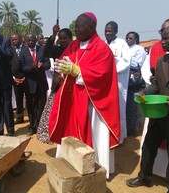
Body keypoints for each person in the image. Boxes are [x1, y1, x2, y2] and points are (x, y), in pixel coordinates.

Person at [49, 12, 120, 178]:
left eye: (80, 26)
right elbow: (63, 60)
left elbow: (102, 75)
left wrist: (75, 70)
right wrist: (61, 68)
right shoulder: (73, 45)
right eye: (75, 26)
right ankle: (69, 162)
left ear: (92, 28)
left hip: (92, 102)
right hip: (71, 98)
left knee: (93, 136)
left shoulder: (102, 48)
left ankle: (95, 167)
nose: (76, 29)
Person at [126, 23, 169, 193]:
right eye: (162, 37)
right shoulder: (162, 61)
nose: (163, 41)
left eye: (167, 38)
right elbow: (157, 86)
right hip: (159, 114)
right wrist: (144, 92)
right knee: (148, 147)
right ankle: (144, 176)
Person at [37, 24, 73, 144]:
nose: (62, 40)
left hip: (72, 86)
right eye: (60, 38)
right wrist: (53, 35)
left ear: (70, 38)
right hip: (58, 84)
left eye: (65, 38)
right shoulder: (57, 49)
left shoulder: (75, 49)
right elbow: (46, 51)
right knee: (54, 110)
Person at [105, 21, 131, 143]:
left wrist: (111, 67)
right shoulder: (104, 44)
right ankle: (108, 137)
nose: (107, 33)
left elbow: (125, 62)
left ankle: (120, 137)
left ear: (116, 31)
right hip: (105, 82)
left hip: (118, 81)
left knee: (119, 108)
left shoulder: (122, 44)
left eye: (110, 31)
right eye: (106, 31)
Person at [19, 33, 50, 136]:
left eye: (33, 40)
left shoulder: (42, 49)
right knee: (31, 107)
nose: (31, 42)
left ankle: (41, 127)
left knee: (41, 106)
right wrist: (31, 68)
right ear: (26, 42)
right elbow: (21, 67)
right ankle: (32, 127)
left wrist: (41, 66)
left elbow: (48, 64)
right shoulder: (23, 52)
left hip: (41, 83)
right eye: (29, 41)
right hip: (29, 84)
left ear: (36, 40)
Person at [125, 31, 146, 136]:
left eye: (131, 38)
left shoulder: (139, 49)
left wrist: (124, 61)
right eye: (127, 38)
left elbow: (137, 64)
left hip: (134, 81)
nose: (128, 40)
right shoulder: (125, 48)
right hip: (124, 80)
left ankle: (133, 130)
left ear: (136, 40)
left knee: (133, 105)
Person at [11, 33, 26, 124]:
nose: (14, 41)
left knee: (29, 98)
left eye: (15, 39)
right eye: (12, 40)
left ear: (20, 39)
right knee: (18, 98)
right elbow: (9, 65)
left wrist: (25, 77)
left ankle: (32, 118)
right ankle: (20, 117)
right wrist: (13, 77)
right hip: (15, 79)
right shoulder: (10, 50)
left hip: (26, 78)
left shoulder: (26, 48)